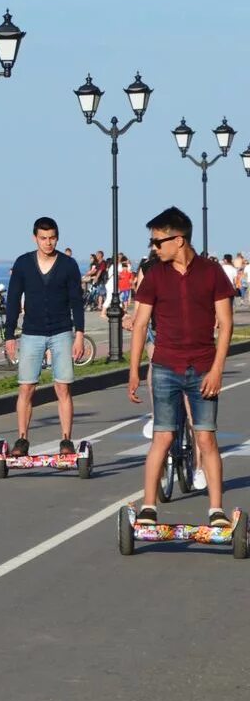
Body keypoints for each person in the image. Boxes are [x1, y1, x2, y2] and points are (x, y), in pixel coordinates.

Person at [127, 206, 235, 528]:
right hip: (164, 367)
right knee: (162, 437)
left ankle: (216, 511)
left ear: (179, 239)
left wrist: (217, 370)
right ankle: (149, 507)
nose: (154, 248)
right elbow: (142, 322)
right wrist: (133, 370)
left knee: (206, 439)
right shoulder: (154, 275)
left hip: (202, 368)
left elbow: (226, 325)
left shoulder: (212, 273)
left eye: (158, 242)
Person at [1, 216, 86, 458]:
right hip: (31, 333)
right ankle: (22, 438)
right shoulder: (23, 264)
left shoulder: (68, 265)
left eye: (52, 238)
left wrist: (79, 334)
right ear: (35, 238)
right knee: (26, 388)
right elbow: (14, 301)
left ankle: (66, 440)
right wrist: (9, 335)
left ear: (57, 238)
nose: (48, 243)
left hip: (61, 331)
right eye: (43, 238)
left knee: (63, 387)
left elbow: (76, 303)